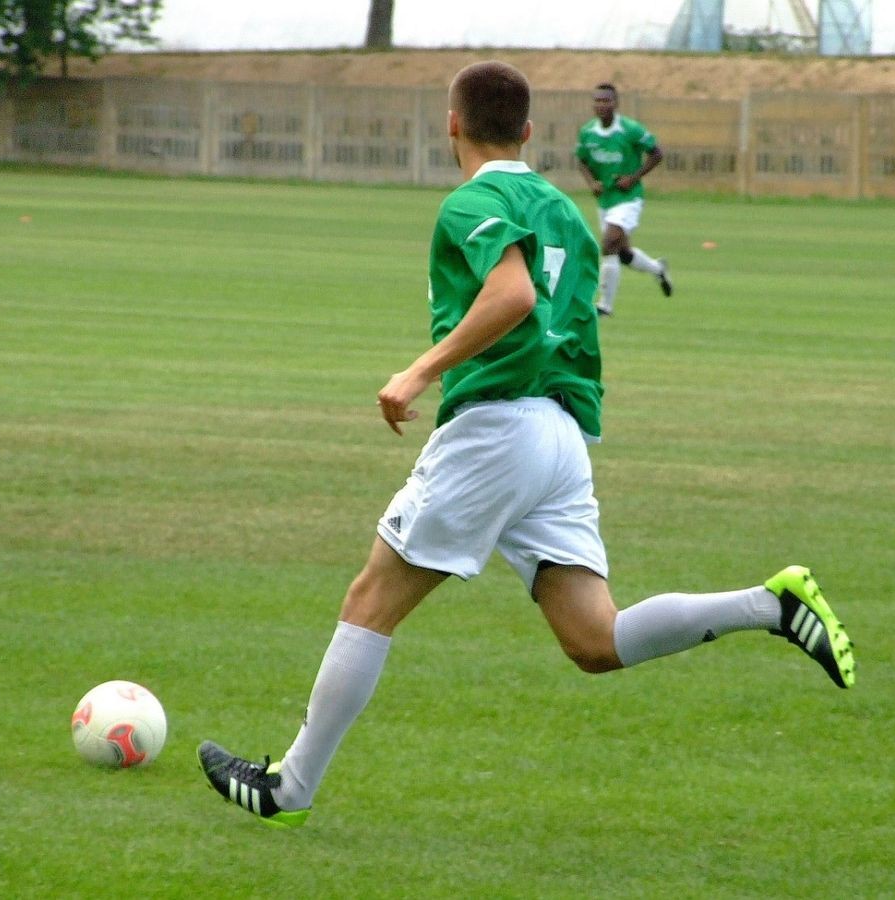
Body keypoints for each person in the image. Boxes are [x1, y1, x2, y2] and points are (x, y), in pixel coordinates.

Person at [197, 61, 855, 829]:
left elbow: (510, 296)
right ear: (531, 132)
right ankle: (769, 606)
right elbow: (569, 328)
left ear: (453, 123)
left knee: (370, 600)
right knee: (594, 639)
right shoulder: (565, 213)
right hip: (560, 435)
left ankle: (290, 789)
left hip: (496, 431)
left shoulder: (472, 199)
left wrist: (419, 372)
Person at [575, 82, 673, 317]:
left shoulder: (630, 129)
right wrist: (592, 183)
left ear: (615, 103)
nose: (601, 105)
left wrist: (633, 177)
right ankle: (658, 268)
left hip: (629, 199)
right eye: (597, 100)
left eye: (606, 100)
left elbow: (657, 153)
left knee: (608, 243)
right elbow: (581, 160)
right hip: (606, 201)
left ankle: (605, 306)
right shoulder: (588, 132)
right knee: (622, 253)